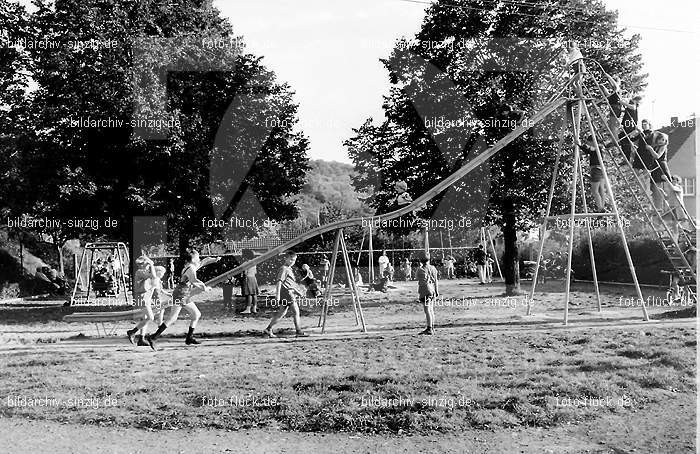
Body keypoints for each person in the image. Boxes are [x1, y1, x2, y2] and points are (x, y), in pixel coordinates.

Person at [145, 249, 220, 351]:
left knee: (195, 314)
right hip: (181, 293)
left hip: (183, 293)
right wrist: (205, 288)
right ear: (193, 259)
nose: (199, 259)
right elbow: (194, 281)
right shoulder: (190, 269)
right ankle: (154, 337)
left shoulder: (191, 266)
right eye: (197, 257)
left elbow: (203, 262)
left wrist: (213, 260)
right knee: (173, 318)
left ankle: (188, 338)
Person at [263, 251, 307, 338]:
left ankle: (268, 329)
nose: (292, 261)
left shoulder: (289, 269)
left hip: (289, 292)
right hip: (286, 293)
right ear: (285, 258)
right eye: (290, 259)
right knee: (296, 311)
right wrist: (277, 295)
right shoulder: (284, 269)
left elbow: (290, 284)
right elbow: (279, 282)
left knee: (282, 313)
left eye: (294, 260)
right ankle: (298, 331)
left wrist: (298, 292)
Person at [128, 264, 171, 347]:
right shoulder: (150, 278)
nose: (163, 275)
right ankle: (133, 332)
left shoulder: (155, 279)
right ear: (157, 272)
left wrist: (167, 293)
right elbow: (150, 290)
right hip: (145, 300)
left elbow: (157, 290)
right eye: (162, 273)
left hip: (147, 300)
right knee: (150, 317)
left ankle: (141, 338)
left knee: (145, 318)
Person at [581, 134, 607, 211]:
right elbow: (589, 151)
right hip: (601, 169)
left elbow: (587, 150)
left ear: (592, 141)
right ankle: (602, 206)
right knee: (601, 189)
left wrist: (579, 144)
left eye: (588, 142)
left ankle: (600, 208)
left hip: (596, 169)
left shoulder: (596, 147)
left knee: (595, 191)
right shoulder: (600, 148)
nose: (588, 144)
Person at [416, 251, 439, 335]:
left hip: (425, 290)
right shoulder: (433, 268)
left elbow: (418, 278)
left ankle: (429, 328)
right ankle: (432, 326)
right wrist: (437, 291)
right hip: (432, 289)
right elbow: (436, 280)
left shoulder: (420, 269)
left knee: (427, 310)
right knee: (431, 309)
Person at [662, 174, 690, 241]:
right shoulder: (671, 189)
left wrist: (666, 180)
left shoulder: (679, 187)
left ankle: (676, 238)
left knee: (675, 224)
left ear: (677, 181)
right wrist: (662, 192)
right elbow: (667, 198)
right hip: (671, 208)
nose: (673, 182)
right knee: (670, 223)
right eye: (672, 181)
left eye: (674, 180)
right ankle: (679, 233)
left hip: (677, 208)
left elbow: (674, 189)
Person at [240, 249, 259, 314]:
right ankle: (254, 308)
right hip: (253, 278)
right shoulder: (254, 262)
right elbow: (255, 272)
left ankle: (248, 309)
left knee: (249, 294)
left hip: (248, 278)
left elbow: (242, 270)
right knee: (254, 294)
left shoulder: (245, 263)